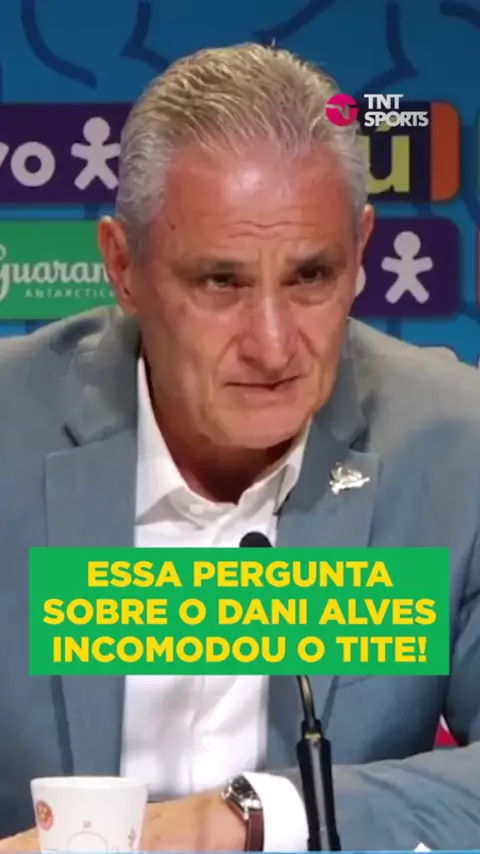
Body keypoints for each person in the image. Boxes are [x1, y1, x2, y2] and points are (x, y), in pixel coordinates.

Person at [1, 42, 480, 853]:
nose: (272, 344)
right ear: (123, 267)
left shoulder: (453, 450)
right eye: (220, 282)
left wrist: (246, 817)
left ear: (363, 252)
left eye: (310, 277)